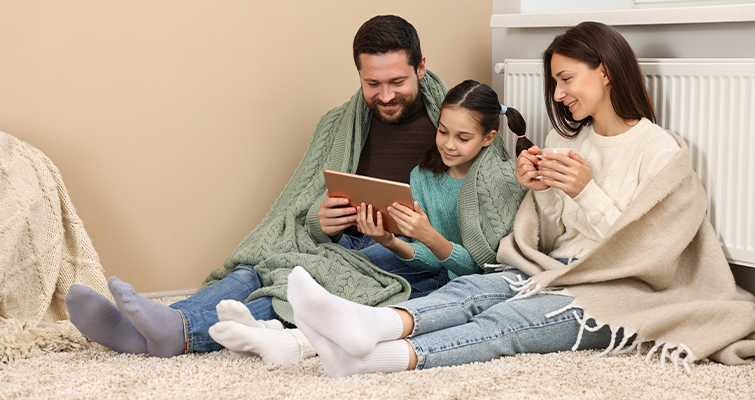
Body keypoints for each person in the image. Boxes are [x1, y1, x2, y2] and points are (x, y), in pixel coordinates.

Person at [285, 21, 755, 377]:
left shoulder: (660, 151)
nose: (559, 93)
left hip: (620, 289)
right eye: (555, 82)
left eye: (566, 79)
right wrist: (543, 193)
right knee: (473, 291)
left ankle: (373, 358)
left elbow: (651, 255)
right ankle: (371, 326)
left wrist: (584, 190)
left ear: (606, 72)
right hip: (556, 267)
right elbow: (548, 238)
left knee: (509, 321)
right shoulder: (569, 141)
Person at [64, 15, 523, 359]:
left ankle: (181, 332)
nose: (385, 95)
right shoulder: (338, 125)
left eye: (397, 82)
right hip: (347, 239)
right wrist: (323, 222)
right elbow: (301, 206)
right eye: (373, 83)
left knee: (302, 282)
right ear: (359, 76)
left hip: (402, 252)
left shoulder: (454, 122)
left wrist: (400, 236)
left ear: (421, 67)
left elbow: (481, 219)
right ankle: (155, 324)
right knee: (262, 266)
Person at [209, 80, 528, 363]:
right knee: (344, 268)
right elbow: (431, 262)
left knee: (378, 299)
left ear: (488, 138)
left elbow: (482, 270)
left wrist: (430, 236)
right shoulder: (423, 176)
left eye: (463, 137)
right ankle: (264, 325)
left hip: (459, 285)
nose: (448, 144)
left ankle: (287, 338)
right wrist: (390, 240)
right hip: (430, 270)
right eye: (443, 131)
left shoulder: (499, 182)